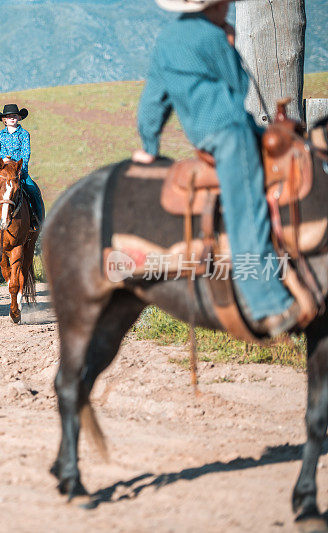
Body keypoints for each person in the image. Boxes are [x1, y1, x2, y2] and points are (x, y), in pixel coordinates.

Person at [131, 0, 298, 335]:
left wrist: (150, 146)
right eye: (225, 3)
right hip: (231, 131)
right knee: (247, 209)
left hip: (203, 136)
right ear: (215, 6)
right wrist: (231, 43)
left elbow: (154, 100)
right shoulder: (213, 35)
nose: (228, 7)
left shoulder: (167, 40)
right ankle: (268, 303)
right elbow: (239, 84)